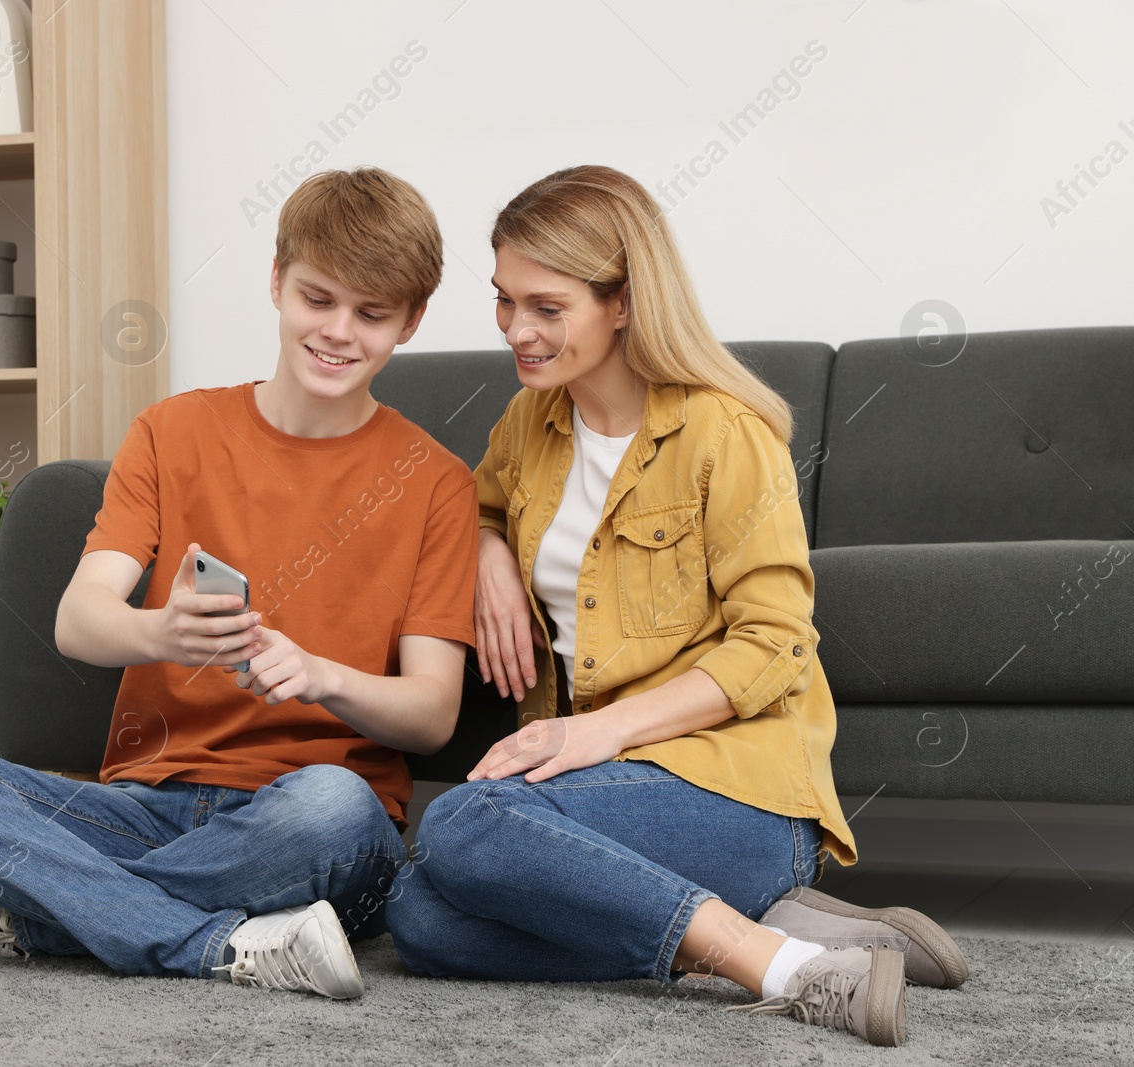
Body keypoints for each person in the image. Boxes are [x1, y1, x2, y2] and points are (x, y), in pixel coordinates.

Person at [0, 167, 479, 1000]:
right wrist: (161, 633)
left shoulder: (435, 481)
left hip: (313, 819)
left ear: (411, 320)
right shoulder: (174, 429)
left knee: (333, 804)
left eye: (371, 315)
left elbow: (434, 712)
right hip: (145, 804)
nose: (338, 332)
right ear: (276, 282)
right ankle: (215, 942)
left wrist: (323, 677)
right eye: (317, 299)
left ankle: (31, 917)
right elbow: (80, 620)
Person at [386, 165, 967, 1047]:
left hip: (737, 793)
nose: (516, 330)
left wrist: (600, 732)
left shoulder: (723, 433)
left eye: (547, 307)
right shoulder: (529, 423)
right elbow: (470, 505)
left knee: (464, 823)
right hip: (602, 797)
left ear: (622, 300)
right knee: (418, 914)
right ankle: (775, 928)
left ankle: (775, 964)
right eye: (505, 301)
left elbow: (775, 642)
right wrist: (486, 549)